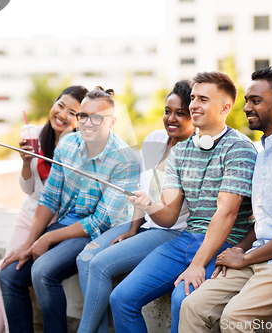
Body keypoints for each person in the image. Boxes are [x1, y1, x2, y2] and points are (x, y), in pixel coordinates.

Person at [109, 71, 257, 333]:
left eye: (203, 99)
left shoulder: (240, 148)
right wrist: (148, 205)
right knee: (121, 298)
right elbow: (168, 216)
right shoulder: (180, 151)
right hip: (186, 239)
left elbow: (226, 212)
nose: (194, 105)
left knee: (182, 298)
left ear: (225, 107)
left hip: (225, 242)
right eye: (193, 98)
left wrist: (197, 264)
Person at [179, 67, 272, 333]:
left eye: (255, 101)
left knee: (234, 318)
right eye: (247, 100)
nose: (246, 107)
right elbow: (267, 219)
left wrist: (245, 258)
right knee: (192, 306)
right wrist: (241, 248)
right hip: (259, 255)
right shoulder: (263, 150)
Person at [0, 87, 140, 333]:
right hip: (66, 221)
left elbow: (99, 222)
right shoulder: (68, 145)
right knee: (9, 275)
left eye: (97, 117)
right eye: (83, 115)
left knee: (43, 271)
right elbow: (49, 198)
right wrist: (30, 242)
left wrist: (48, 237)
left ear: (113, 121)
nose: (88, 122)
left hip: (96, 232)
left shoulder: (125, 159)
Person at [75, 80, 195, 333]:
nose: (171, 118)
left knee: (100, 264)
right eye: (167, 111)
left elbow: (169, 215)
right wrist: (132, 227)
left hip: (170, 231)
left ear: (193, 115)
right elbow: (141, 186)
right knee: (86, 258)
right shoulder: (154, 139)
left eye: (180, 113)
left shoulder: (193, 151)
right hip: (145, 226)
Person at [0, 85, 88, 333]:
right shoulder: (36, 134)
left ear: (80, 119)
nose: (62, 114)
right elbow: (29, 190)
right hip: (29, 214)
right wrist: (26, 163)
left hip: (56, 222)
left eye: (72, 112)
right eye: (60, 105)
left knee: (3, 274)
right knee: (2, 275)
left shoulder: (80, 148)